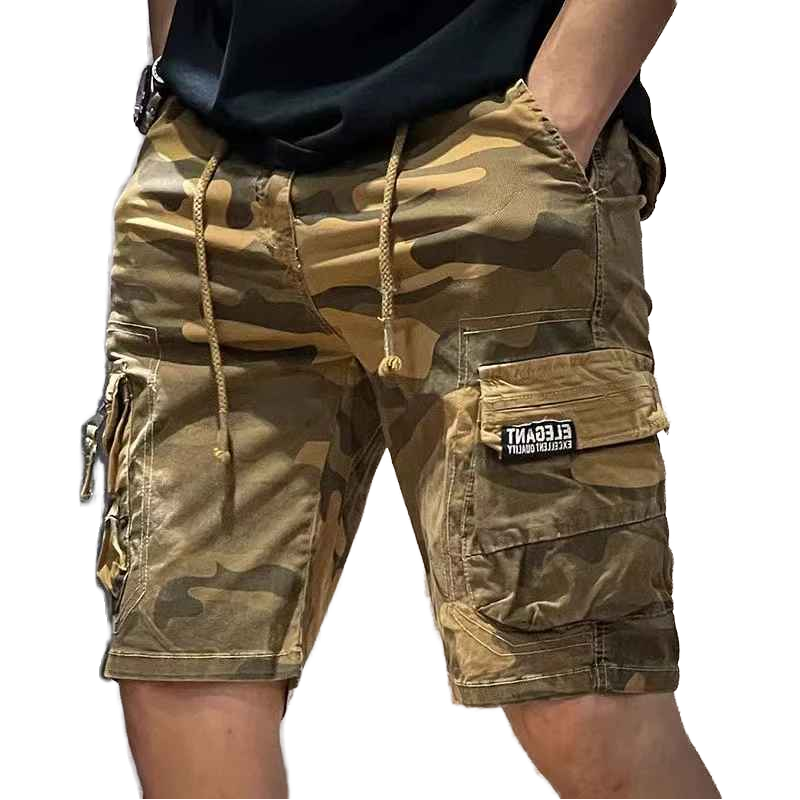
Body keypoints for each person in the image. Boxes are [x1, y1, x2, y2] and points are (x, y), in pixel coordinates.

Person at [81, 1, 719, 796]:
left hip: (483, 170)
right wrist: (177, 68)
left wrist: (561, 118)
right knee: (184, 669)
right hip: (210, 187)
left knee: (579, 692)